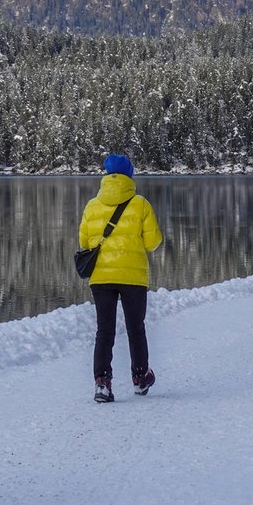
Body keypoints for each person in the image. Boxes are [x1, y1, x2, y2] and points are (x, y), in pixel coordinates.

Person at [78, 153, 163, 403]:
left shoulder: (92, 205)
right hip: (133, 277)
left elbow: (83, 241)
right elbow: (153, 243)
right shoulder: (141, 204)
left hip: (101, 277)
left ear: (105, 175)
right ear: (130, 175)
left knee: (104, 330)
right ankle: (140, 378)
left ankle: (102, 384)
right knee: (136, 328)